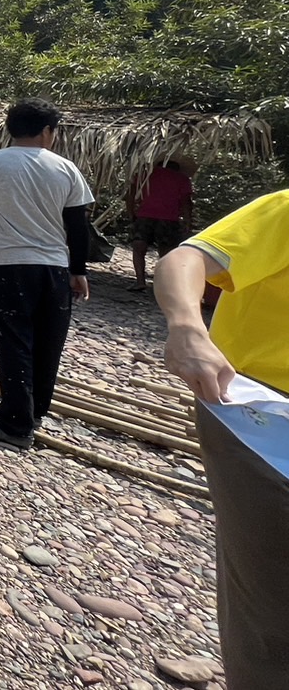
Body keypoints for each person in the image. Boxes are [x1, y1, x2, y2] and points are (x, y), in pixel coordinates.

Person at [154, 189, 289, 690]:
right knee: (274, 606)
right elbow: (185, 259)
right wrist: (187, 327)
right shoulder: (285, 211)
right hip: (263, 419)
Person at [0, 98, 93, 448]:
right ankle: (32, 411)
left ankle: (15, 423)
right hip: (53, 268)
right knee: (48, 341)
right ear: (47, 131)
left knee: (13, 340)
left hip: (7, 266)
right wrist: (79, 270)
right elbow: (77, 225)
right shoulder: (66, 168)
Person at [127, 159, 193, 291]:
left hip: (145, 216)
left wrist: (131, 213)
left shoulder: (145, 175)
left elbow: (131, 194)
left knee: (139, 248)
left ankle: (140, 281)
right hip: (169, 219)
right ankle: (162, 284)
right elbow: (187, 202)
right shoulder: (182, 179)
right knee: (165, 252)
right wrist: (187, 221)